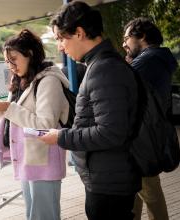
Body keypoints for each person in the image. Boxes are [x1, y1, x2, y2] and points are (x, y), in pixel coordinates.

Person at [39, 1, 141, 219]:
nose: (60, 46)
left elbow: (111, 132)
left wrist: (62, 137)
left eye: (60, 38)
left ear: (79, 32)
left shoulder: (105, 69)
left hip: (109, 183)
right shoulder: (101, 65)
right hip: (107, 176)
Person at [0, 29, 70, 220]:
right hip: (28, 159)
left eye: (14, 59)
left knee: (45, 215)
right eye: (7, 61)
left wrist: (9, 108)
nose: (10, 65)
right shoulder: (21, 80)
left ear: (30, 54)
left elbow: (45, 124)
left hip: (44, 160)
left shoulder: (48, 81)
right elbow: (15, 118)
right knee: (33, 215)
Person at [123, 17, 178, 220]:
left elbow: (119, 84)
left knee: (149, 192)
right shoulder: (156, 59)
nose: (124, 44)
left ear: (142, 37)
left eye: (127, 38)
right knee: (136, 191)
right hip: (147, 135)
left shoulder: (149, 60)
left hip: (142, 138)